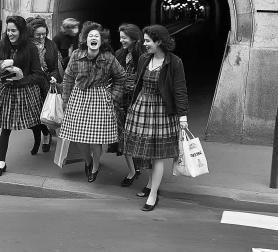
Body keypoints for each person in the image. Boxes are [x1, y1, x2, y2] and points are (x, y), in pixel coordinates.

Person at [119, 24, 189, 212]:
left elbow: (180, 90)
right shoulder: (143, 58)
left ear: (159, 41)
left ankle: (153, 194)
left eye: (148, 41)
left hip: (162, 112)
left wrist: (183, 116)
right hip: (142, 109)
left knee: (157, 155)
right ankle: (151, 184)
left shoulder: (174, 62)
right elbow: (139, 83)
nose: (144, 43)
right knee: (144, 152)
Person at [59, 21, 126, 182]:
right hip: (78, 97)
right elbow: (68, 77)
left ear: (101, 41)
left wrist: (113, 96)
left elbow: (121, 77)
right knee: (80, 137)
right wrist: (66, 100)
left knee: (96, 139)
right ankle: (88, 161)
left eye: (97, 36)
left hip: (99, 99)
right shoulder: (76, 54)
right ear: (85, 39)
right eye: (90, 36)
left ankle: (95, 165)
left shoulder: (108, 58)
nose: (93, 38)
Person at [0, 15, 44, 177]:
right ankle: (1, 163)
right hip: (7, 90)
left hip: (26, 90)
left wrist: (20, 77)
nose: (10, 33)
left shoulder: (31, 48)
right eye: (8, 30)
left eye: (14, 30)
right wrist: (1, 73)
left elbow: (38, 75)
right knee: (6, 128)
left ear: (22, 31)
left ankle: (39, 138)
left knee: (32, 121)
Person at [114, 23, 146, 187]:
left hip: (137, 102)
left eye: (124, 38)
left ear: (134, 38)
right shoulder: (119, 54)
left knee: (137, 137)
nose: (121, 41)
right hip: (121, 102)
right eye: (120, 37)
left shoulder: (144, 57)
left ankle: (137, 166)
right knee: (125, 138)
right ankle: (132, 171)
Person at [26, 16, 61, 154]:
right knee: (36, 113)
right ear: (31, 34)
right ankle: (45, 133)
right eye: (38, 34)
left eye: (44, 34)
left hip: (48, 82)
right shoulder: (27, 45)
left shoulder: (51, 45)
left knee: (46, 111)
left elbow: (55, 67)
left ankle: (46, 135)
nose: (42, 37)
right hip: (32, 83)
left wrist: (53, 78)